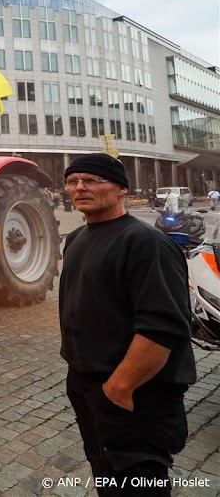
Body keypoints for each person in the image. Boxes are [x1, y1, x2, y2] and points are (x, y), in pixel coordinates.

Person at [59, 154, 195, 496]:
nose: (79, 188)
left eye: (91, 180)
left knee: (138, 481)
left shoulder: (146, 244)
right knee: (104, 470)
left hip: (134, 392)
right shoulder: (75, 239)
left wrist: (119, 387)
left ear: (121, 188)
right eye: (73, 181)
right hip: (86, 385)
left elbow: (161, 329)